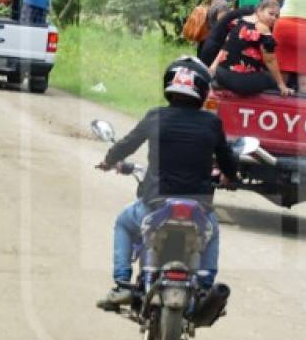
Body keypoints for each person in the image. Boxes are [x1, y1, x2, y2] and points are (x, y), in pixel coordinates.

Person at [96, 57, 239, 309]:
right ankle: (205, 286)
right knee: (212, 233)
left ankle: (121, 284)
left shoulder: (155, 116)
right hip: (198, 207)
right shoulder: (212, 123)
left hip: (156, 204)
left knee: (123, 223)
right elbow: (227, 161)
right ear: (203, 91)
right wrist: (228, 177)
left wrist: (109, 161)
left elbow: (126, 145)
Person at [209, 0, 293, 96]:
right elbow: (270, 60)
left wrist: (213, 67)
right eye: (270, 14)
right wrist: (281, 85)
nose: (274, 18)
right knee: (270, 80)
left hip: (221, 74)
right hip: (239, 80)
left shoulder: (240, 21)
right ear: (259, 10)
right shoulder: (263, 28)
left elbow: (226, 46)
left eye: (276, 16)